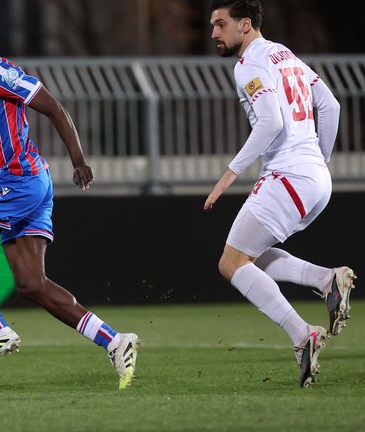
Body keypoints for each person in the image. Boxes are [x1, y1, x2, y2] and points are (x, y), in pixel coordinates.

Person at [0, 6, 139, 390]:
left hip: (18, 179)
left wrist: (79, 161)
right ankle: (116, 341)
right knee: (31, 284)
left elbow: (53, 108)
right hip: (30, 181)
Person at [205, 0, 356, 387]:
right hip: (314, 180)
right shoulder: (284, 54)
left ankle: (302, 334)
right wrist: (318, 161)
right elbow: (332, 105)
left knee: (231, 264)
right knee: (248, 256)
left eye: (220, 25)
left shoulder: (250, 64)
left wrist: (229, 174)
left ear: (244, 25)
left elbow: (270, 120)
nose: (214, 34)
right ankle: (326, 280)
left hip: (288, 175)